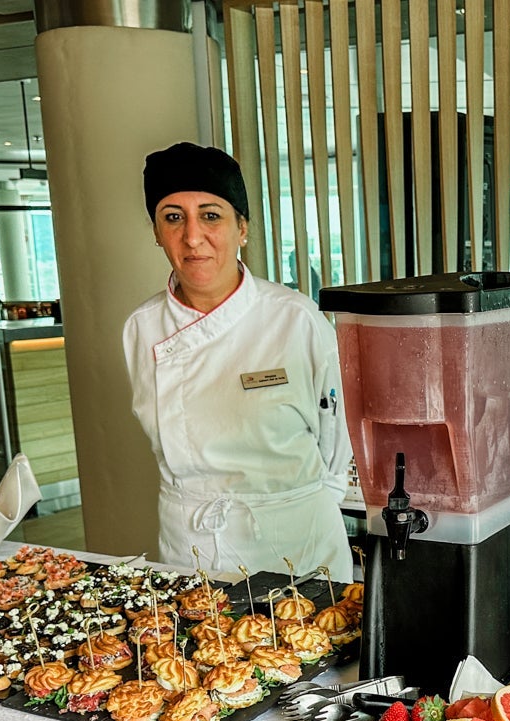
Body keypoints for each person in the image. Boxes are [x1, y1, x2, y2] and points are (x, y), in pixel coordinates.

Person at [122, 142, 352, 578]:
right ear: (155, 231)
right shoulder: (141, 328)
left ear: (242, 228)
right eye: (173, 217)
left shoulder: (294, 317)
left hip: (297, 537)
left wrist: (312, 502)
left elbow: (338, 430)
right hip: (193, 539)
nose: (193, 237)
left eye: (211, 215)